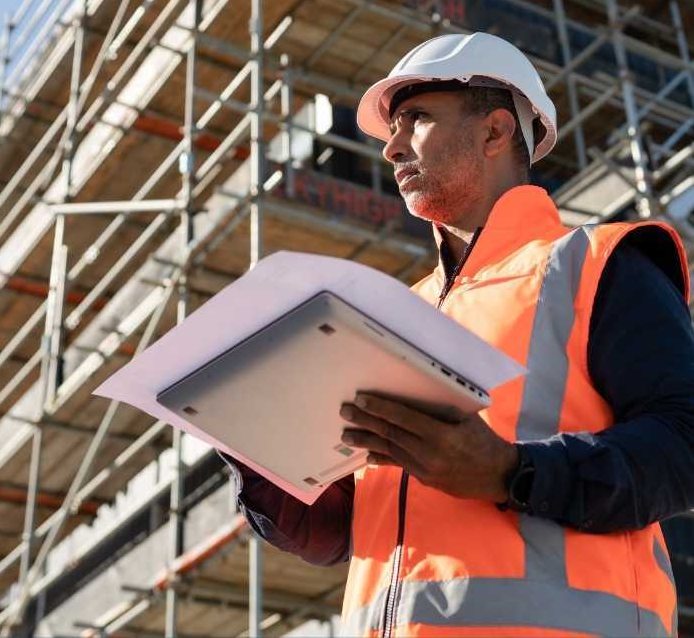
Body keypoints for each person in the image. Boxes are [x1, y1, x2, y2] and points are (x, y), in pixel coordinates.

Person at [222, 32, 694, 636]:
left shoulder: (597, 264)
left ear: (495, 132)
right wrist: (256, 450)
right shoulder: (393, 315)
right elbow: (343, 533)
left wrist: (512, 472)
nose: (390, 148)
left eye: (414, 118)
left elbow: (683, 444)